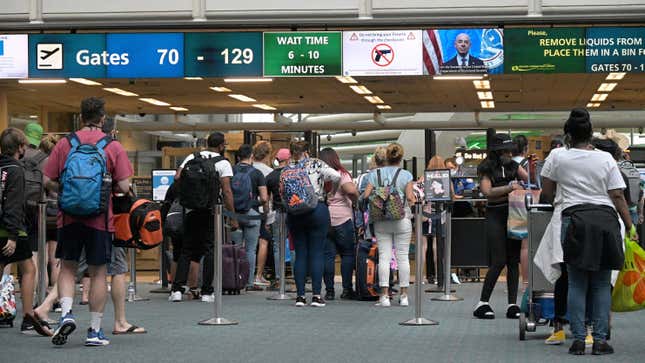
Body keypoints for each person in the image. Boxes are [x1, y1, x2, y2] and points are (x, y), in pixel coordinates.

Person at [540, 108, 636, 355]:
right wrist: (629, 224)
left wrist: (558, 202)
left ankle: (579, 340)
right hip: (604, 221)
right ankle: (601, 340)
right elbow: (617, 195)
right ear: (591, 134)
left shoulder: (557, 156)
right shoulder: (605, 159)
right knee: (602, 284)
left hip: (573, 221)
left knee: (577, 282)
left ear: (567, 135)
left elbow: (547, 190)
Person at [44, 97, 133, 346]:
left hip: (68, 217)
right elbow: (125, 186)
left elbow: (47, 180)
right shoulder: (111, 146)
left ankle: (66, 314)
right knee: (98, 273)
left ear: (80, 117)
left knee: (68, 267)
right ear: (103, 118)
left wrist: (65, 189)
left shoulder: (65, 144)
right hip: (100, 219)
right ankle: (94, 331)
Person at [169, 132, 236, 302]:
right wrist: (233, 216)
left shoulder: (193, 156)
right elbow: (227, 190)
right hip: (211, 210)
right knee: (210, 249)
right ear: (222, 146)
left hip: (191, 208)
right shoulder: (223, 162)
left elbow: (177, 176)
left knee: (186, 248)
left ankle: (177, 290)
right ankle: (207, 292)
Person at [0, 128, 51, 337]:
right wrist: (13, 235)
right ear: (20, 147)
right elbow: (14, 203)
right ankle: (28, 316)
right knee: (29, 269)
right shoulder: (16, 169)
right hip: (11, 229)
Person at [473, 133, 528, 320]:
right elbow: (487, 192)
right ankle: (483, 302)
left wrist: (532, 170)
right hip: (495, 215)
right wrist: (510, 188)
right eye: (505, 151)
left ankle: (512, 304)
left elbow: (529, 180)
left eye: (510, 150)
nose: (509, 154)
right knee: (498, 260)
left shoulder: (514, 166)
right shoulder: (486, 168)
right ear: (497, 152)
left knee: (513, 260)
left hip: (514, 214)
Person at [287, 141, 340, 308]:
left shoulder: (288, 167)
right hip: (317, 209)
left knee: (301, 253)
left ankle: (300, 296)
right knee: (317, 252)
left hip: (295, 212)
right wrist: (331, 193)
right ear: (307, 151)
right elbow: (336, 176)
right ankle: (316, 296)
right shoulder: (316, 163)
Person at [363, 143, 416, 307]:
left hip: (381, 220)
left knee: (384, 257)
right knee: (403, 257)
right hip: (402, 220)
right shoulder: (406, 174)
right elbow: (410, 197)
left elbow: (365, 195)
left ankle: (384, 296)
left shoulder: (374, 174)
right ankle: (404, 296)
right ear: (400, 157)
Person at [320, 147, 359, 301]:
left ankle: (329, 291)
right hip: (343, 219)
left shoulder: (320, 175)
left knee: (328, 256)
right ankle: (347, 290)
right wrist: (355, 200)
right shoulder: (341, 174)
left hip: (325, 219)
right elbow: (351, 190)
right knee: (347, 254)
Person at [230, 144, 268, 290]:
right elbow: (264, 198)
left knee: (236, 249)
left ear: (238, 157)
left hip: (234, 214)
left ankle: (235, 279)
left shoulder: (231, 171)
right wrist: (262, 212)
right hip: (252, 214)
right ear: (251, 156)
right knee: (250, 250)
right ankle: (249, 282)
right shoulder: (257, 173)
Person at [265, 148, 291, 283]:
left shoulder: (270, 176)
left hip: (277, 213)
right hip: (293, 212)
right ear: (288, 159)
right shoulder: (293, 174)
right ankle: (296, 275)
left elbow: (266, 199)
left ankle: (279, 277)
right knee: (294, 243)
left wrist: (267, 218)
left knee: (277, 245)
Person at [251, 141, 274, 287]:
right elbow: (268, 197)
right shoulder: (269, 172)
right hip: (262, 210)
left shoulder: (247, 168)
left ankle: (243, 274)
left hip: (244, 210)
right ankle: (258, 275)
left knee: (247, 244)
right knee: (263, 241)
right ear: (267, 154)